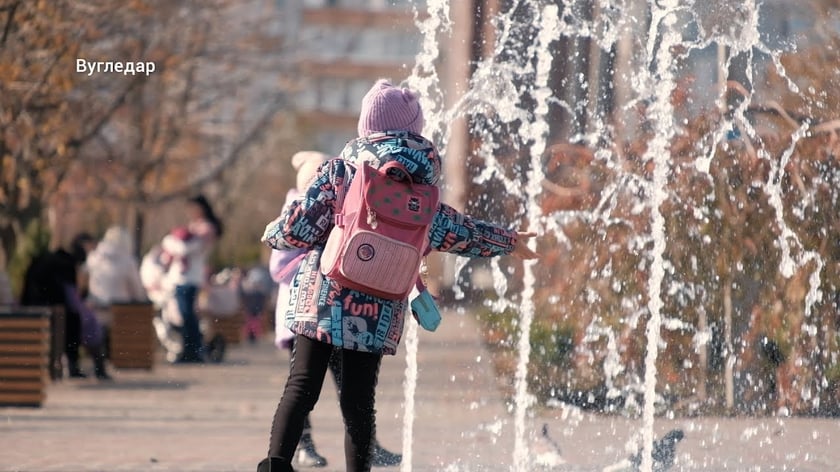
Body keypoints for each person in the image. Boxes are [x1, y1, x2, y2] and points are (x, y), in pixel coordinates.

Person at [258, 79, 539, 472]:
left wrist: (273, 232)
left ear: (364, 126)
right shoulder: (423, 192)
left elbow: (296, 229)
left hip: (322, 297)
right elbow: (459, 232)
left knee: (302, 386)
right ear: (415, 129)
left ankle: (275, 465)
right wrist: (509, 241)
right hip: (377, 305)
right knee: (359, 402)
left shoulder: (340, 171)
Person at [269, 151, 402, 468]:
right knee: (303, 388)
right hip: (303, 316)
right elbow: (279, 265)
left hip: (338, 317)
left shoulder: (336, 199)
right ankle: (303, 446)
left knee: (349, 394)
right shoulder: (303, 208)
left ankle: (367, 449)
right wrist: (321, 259)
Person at [20, 233, 111, 380]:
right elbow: (72, 299)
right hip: (54, 310)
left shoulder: (51, 260)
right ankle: (90, 367)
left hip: (33, 306)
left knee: (77, 321)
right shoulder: (65, 265)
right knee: (83, 323)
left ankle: (81, 366)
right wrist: (85, 310)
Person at [163, 195, 224, 363]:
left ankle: (193, 350)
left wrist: (169, 242)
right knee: (187, 314)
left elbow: (186, 250)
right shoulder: (194, 227)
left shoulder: (206, 229)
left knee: (188, 315)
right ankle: (191, 348)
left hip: (190, 277)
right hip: (184, 277)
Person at [86, 225, 148, 324]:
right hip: (121, 317)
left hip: (95, 314)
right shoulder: (128, 262)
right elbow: (138, 293)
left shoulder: (93, 258)